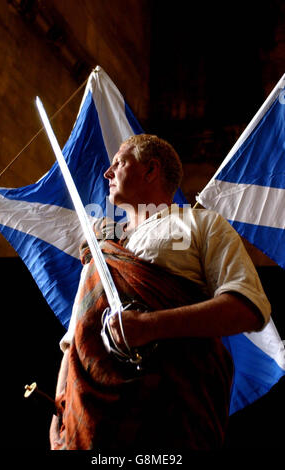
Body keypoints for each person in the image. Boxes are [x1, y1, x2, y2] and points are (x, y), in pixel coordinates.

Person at [50, 134, 271, 450]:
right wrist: (60, 413)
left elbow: (248, 306)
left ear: (150, 170)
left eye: (119, 163)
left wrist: (150, 326)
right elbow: (75, 341)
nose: (107, 173)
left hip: (171, 414)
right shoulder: (101, 253)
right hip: (90, 422)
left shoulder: (200, 224)